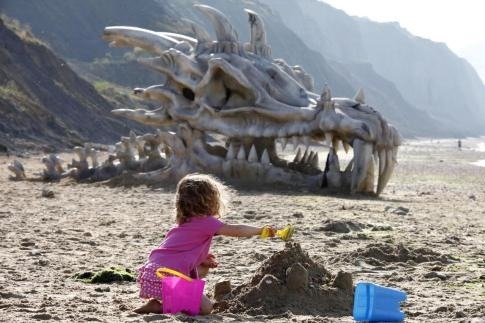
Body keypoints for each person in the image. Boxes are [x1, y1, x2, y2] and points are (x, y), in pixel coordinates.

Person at [134, 173, 276, 315]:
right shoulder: (206, 221)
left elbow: (177, 251)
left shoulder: (185, 222)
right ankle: (159, 307)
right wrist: (260, 231)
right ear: (210, 201)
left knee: (203, 270)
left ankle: (167, 300)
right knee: (206, 308)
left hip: (154, 270)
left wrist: (201, 258)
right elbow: (236, 230)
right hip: (169, 273)